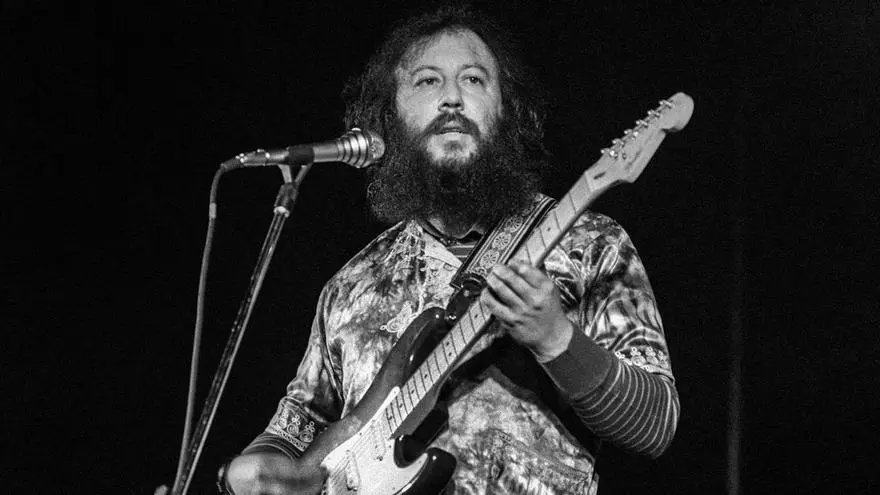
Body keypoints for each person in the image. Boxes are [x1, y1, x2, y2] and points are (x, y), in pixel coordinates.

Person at [224, 4, 679, 494]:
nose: (452, 99)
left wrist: (555, 338)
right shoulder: (351, 286)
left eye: (474, 80)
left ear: (506, 112)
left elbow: (655, 426)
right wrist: (256, 469)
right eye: (428, 81)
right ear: (389, 118)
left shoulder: (587, 243)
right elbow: (296, 432)